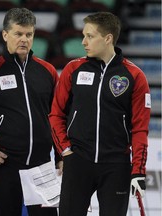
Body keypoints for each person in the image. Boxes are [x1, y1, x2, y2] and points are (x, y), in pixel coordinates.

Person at [49, 11, 151, 216]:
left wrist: (138, 170)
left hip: (116, 165)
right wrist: (65, 150)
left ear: (108, 38)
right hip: (78, 162)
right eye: (84, 35)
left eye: (90, 36)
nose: (83, 41)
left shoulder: (135, 76)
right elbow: (56, 114)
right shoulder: (73, 69)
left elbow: (140, 128)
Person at [0, 8, 61, 216]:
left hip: (43, 165)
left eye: (29, 34)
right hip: (5, 165)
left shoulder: (47, 71)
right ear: (5, 35)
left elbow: (59, 116)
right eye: (18, 33)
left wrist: (60, 155)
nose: (24, 39)